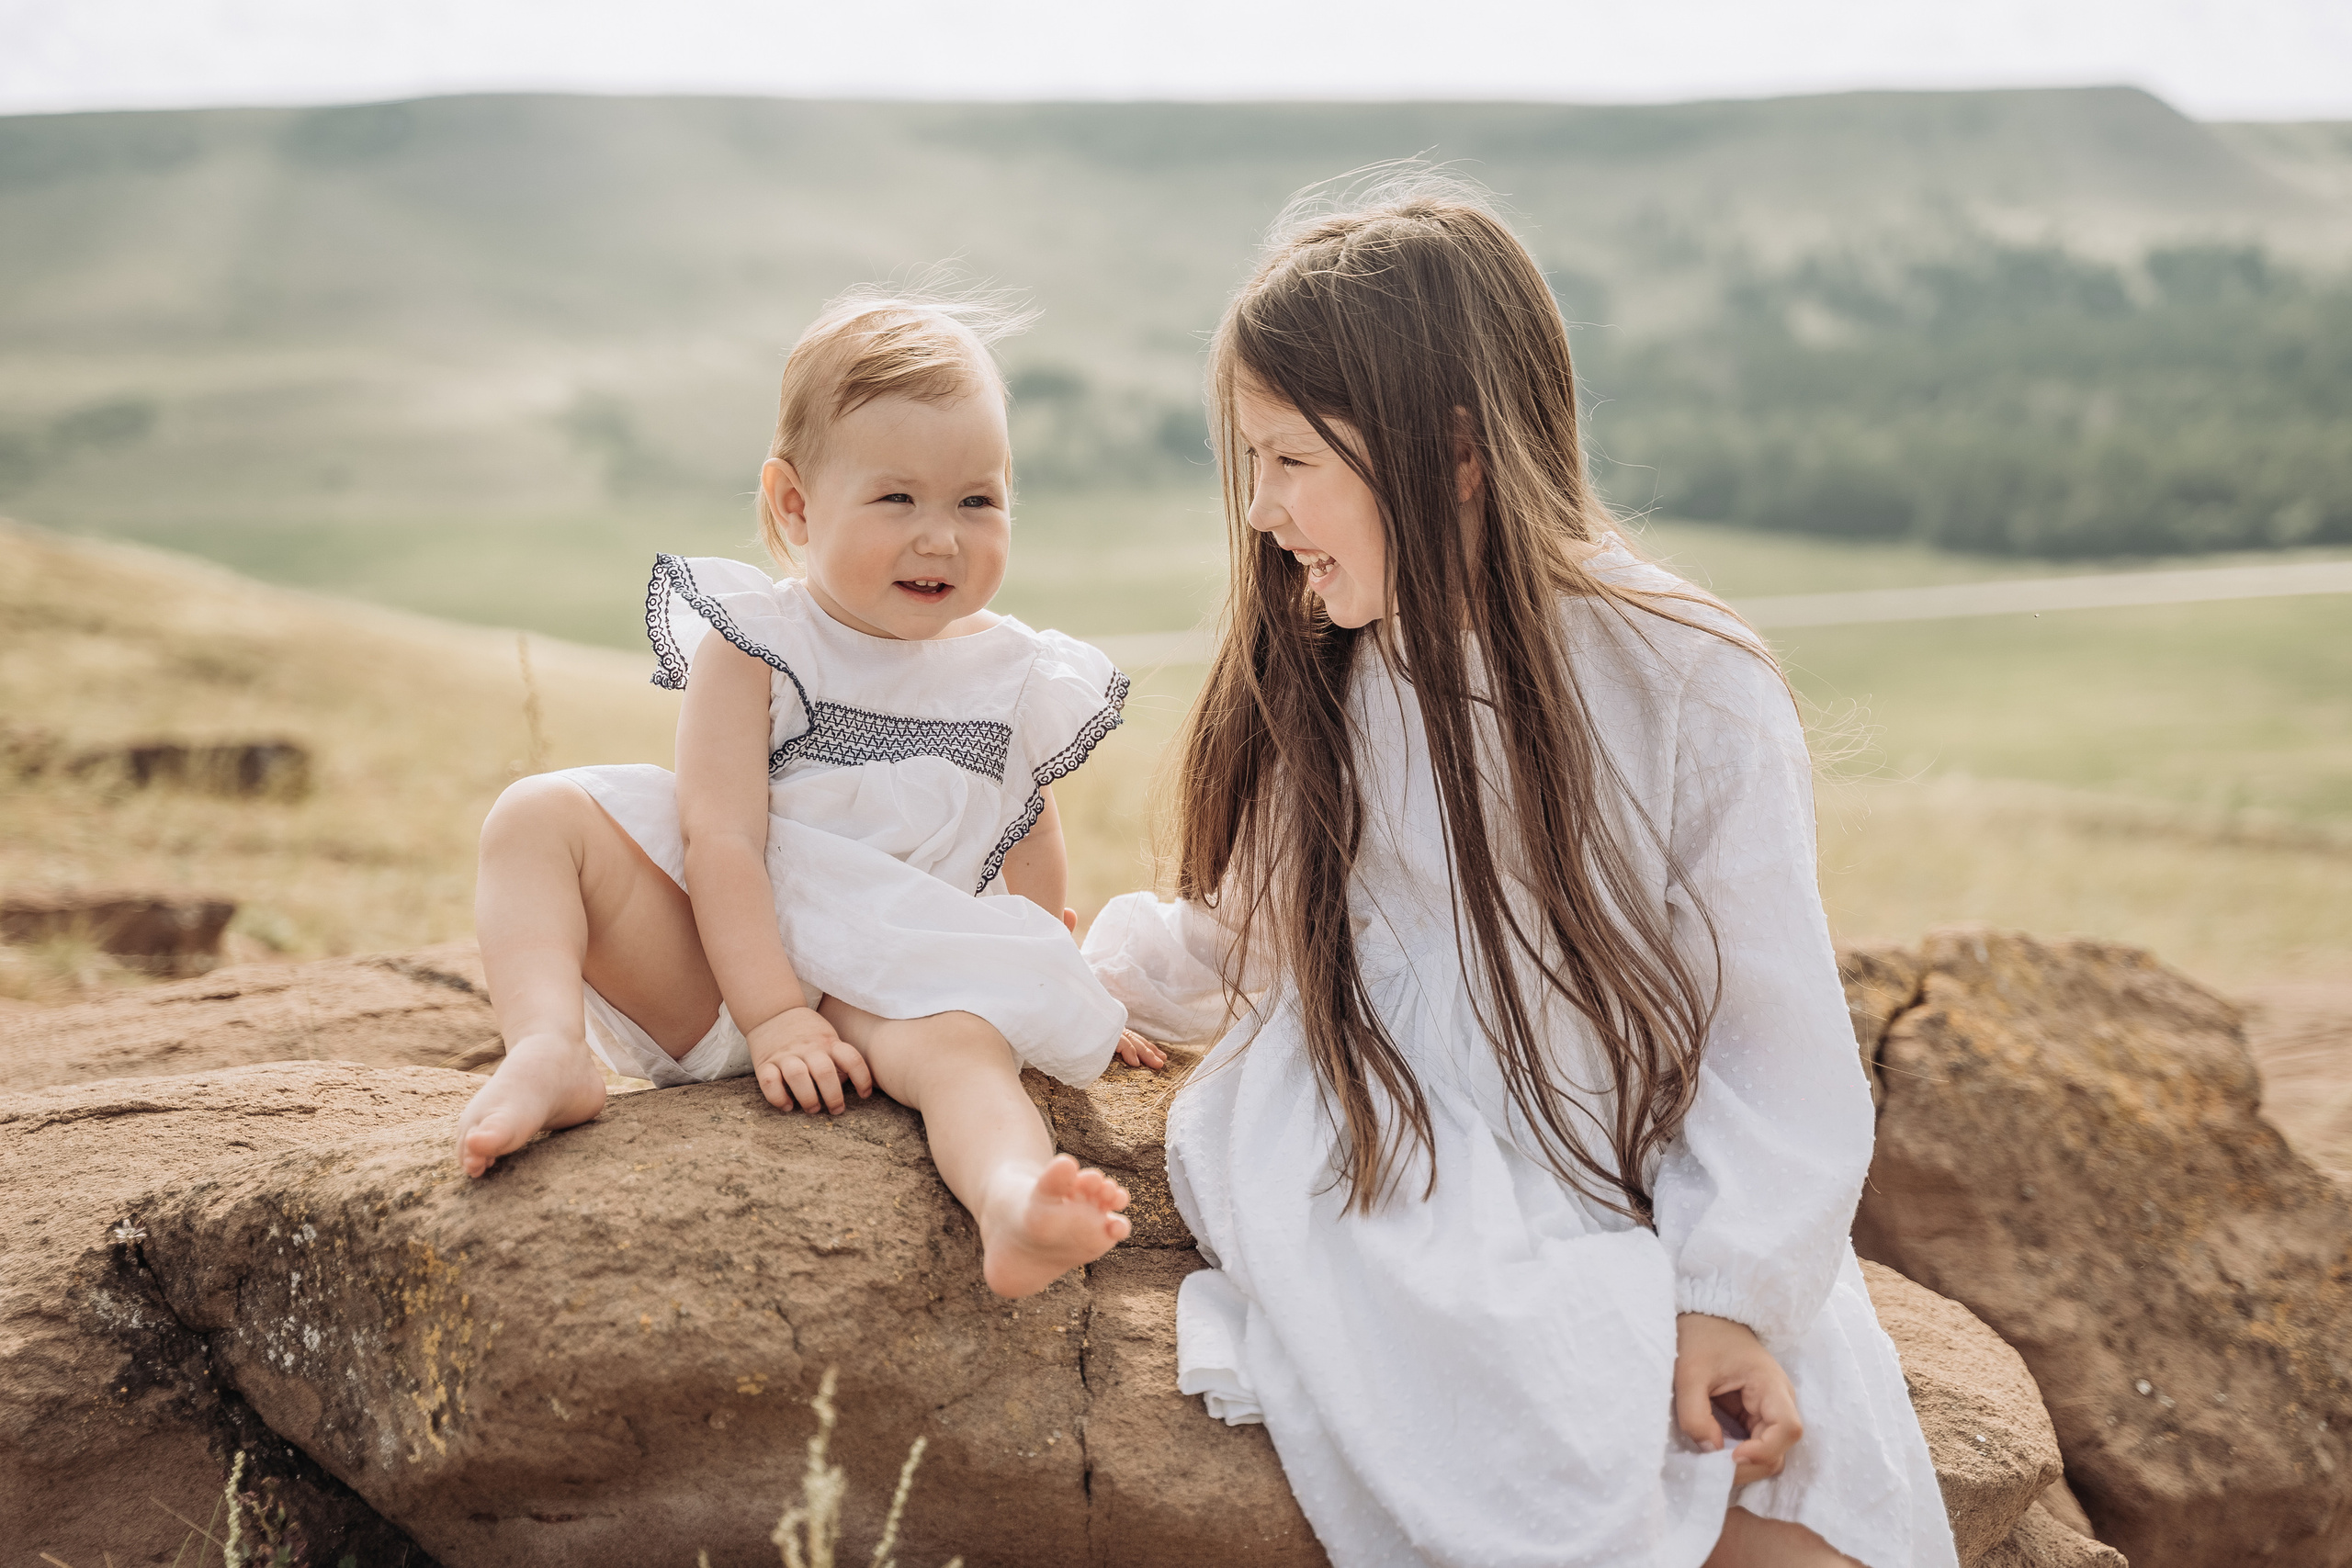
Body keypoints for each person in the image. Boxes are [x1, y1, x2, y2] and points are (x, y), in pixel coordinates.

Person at [1080, 180, 1959, 1567]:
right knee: (1561, 1414)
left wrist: (1728, 1287)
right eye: (1250, 461)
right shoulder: (1329, 665)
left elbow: (1769, 1027)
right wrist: (1085, 984)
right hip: (1393, 1150)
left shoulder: (1684, 673)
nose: (1261, 510)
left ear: (1458, 452)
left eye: (1294, 459)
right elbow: (1245, 932)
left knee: (1808, 1486)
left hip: (1628, 1149)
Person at [455, 288, 1164, 1299]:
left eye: (978, 500)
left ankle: (1011, 1201)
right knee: (534, 817)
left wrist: (1054, 980)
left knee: (966, 1054)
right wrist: (776, 1014)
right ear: (794, 505)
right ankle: (548, 1049)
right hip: (726, 956)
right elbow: (720, 839)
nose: (941, 539)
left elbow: (1024, 825)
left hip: (889, 984)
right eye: (896, 499)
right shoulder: (759, 645)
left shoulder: (1014, 675)